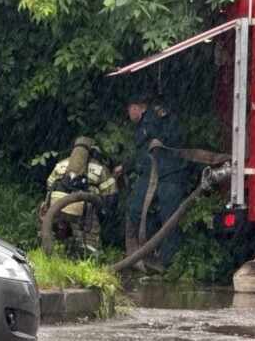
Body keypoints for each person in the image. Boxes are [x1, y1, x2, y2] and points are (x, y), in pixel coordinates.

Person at [114, 94, 188, 272]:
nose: (129, 115)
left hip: (170, 173)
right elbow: (141, 156)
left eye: (129, 110)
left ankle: (166, 262)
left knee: (169, 217)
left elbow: (175, 130)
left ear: (135, 107)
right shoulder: (139, 128)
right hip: (149, 175)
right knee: (134, 208)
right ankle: (148, 249)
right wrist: (124, 167)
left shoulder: (158, 114)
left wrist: (161, 139)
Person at [46, 136, 118, 256]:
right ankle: (87, 254)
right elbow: (110, 193)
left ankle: (52, 247)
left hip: (56, 206)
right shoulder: (99, 168)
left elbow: (49, 184)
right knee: (88, 235)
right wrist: (105, 211)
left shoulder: (61, 164)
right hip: (82, 209)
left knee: (50, 228)